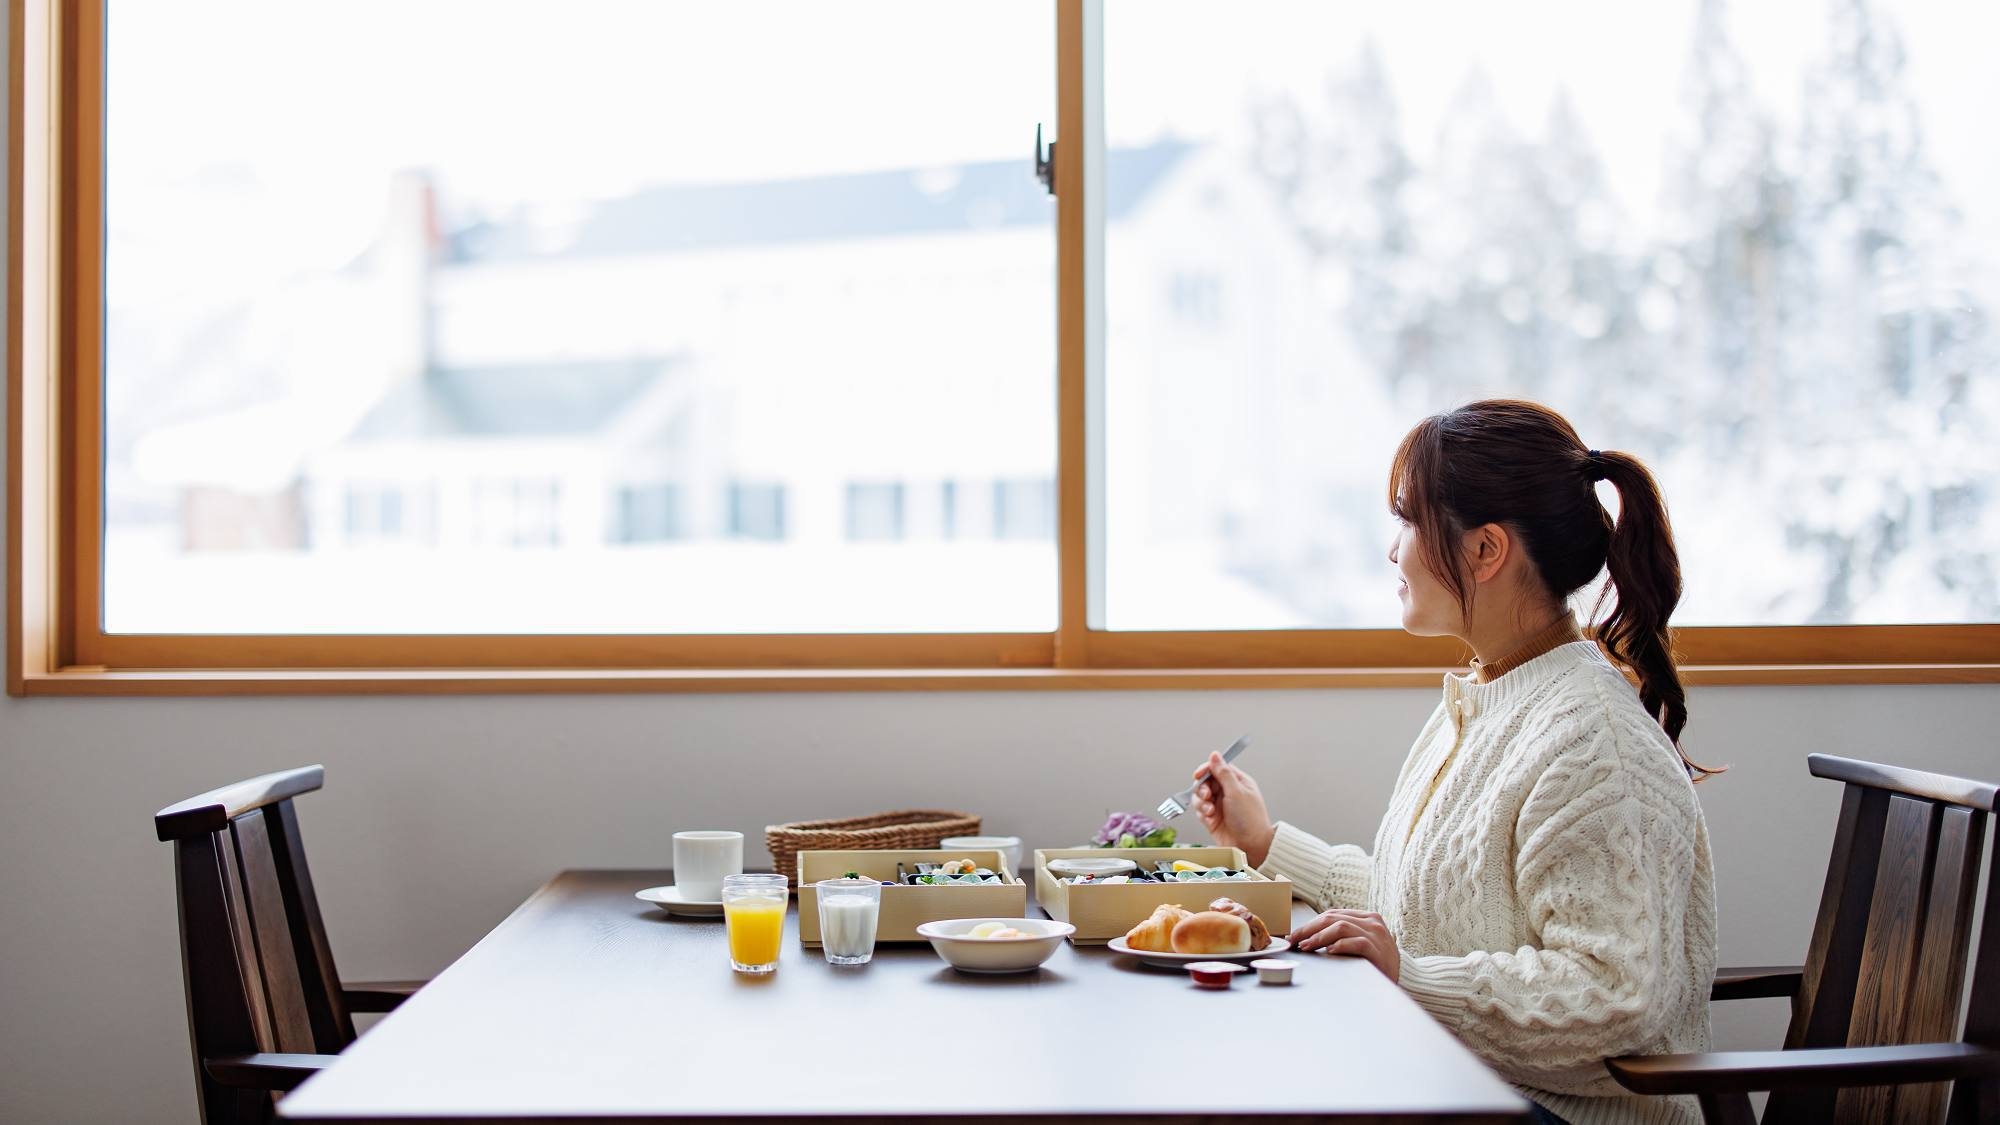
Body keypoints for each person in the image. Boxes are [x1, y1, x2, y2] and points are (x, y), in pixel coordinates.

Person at [1193, 400, 1717, 1125]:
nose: (1392, 549)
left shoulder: (1594, 742)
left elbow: (1616, 995)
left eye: (1408, 520)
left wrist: (1410, 976)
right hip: (1459, 1087)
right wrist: (1266, 843)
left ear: (1486, 550)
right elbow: (1423, 907)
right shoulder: (1485, 698)